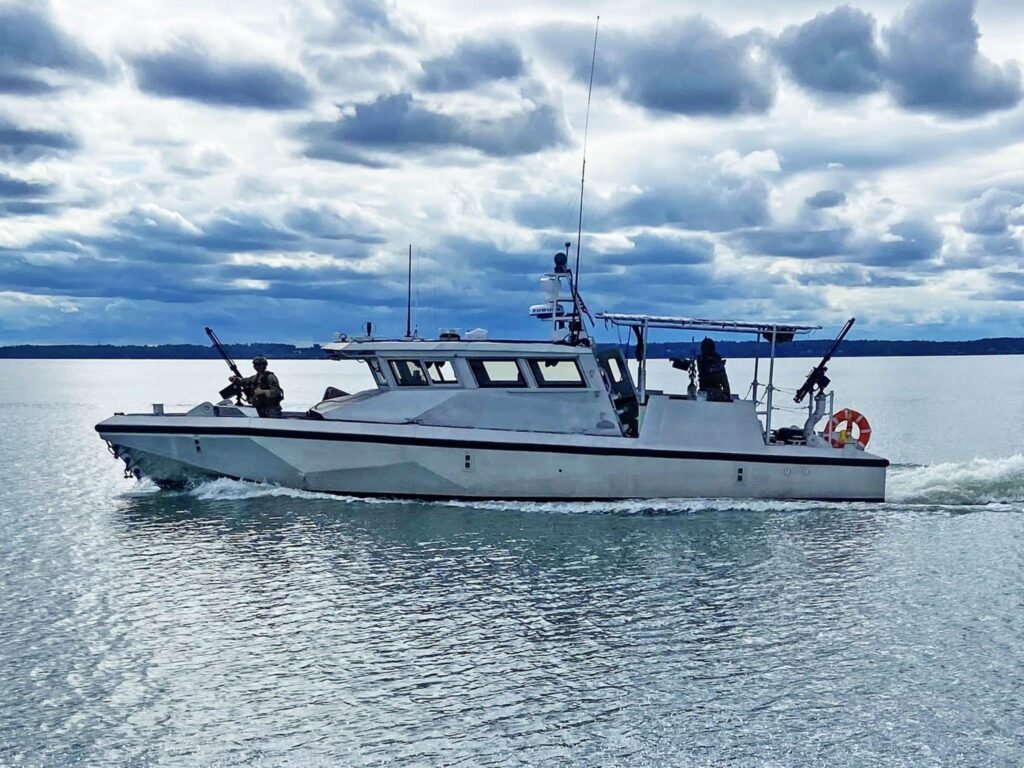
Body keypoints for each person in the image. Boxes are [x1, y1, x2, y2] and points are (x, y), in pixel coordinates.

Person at [696, 337, 731, 402]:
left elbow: (724, 379)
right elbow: (724, 380)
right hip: (705, 392)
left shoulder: (715, 361)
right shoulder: (702, 359)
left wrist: (727, 394)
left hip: (712, 392)